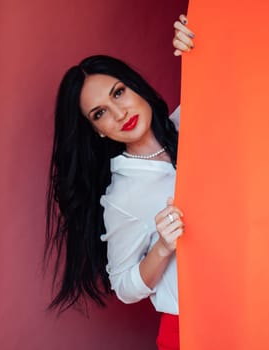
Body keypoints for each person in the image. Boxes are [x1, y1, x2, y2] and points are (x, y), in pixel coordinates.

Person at [45, 15, 195, 350]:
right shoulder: (122, 196)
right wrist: (162, 247)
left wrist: (199, 40)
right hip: (189, 330)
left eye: (118, 93)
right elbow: (123, 285)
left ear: (135, 86)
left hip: (254, 301)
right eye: (99, 113)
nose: (118, 113)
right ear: (97, 130)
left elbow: (235, 77)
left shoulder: (192, 119)